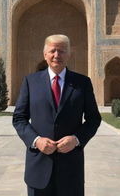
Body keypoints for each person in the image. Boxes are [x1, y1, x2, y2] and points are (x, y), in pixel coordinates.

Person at [12, 34, 101, 196]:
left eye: (62, 51)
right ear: (45, 54)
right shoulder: (31, 82)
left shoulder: (82, 83)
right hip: (38, 166)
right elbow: (19, 118)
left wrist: (76, 139)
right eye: (52, 51)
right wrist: (36, 141)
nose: (57, 55)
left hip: (70, 167)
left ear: (69, 54)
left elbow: (94, 119)